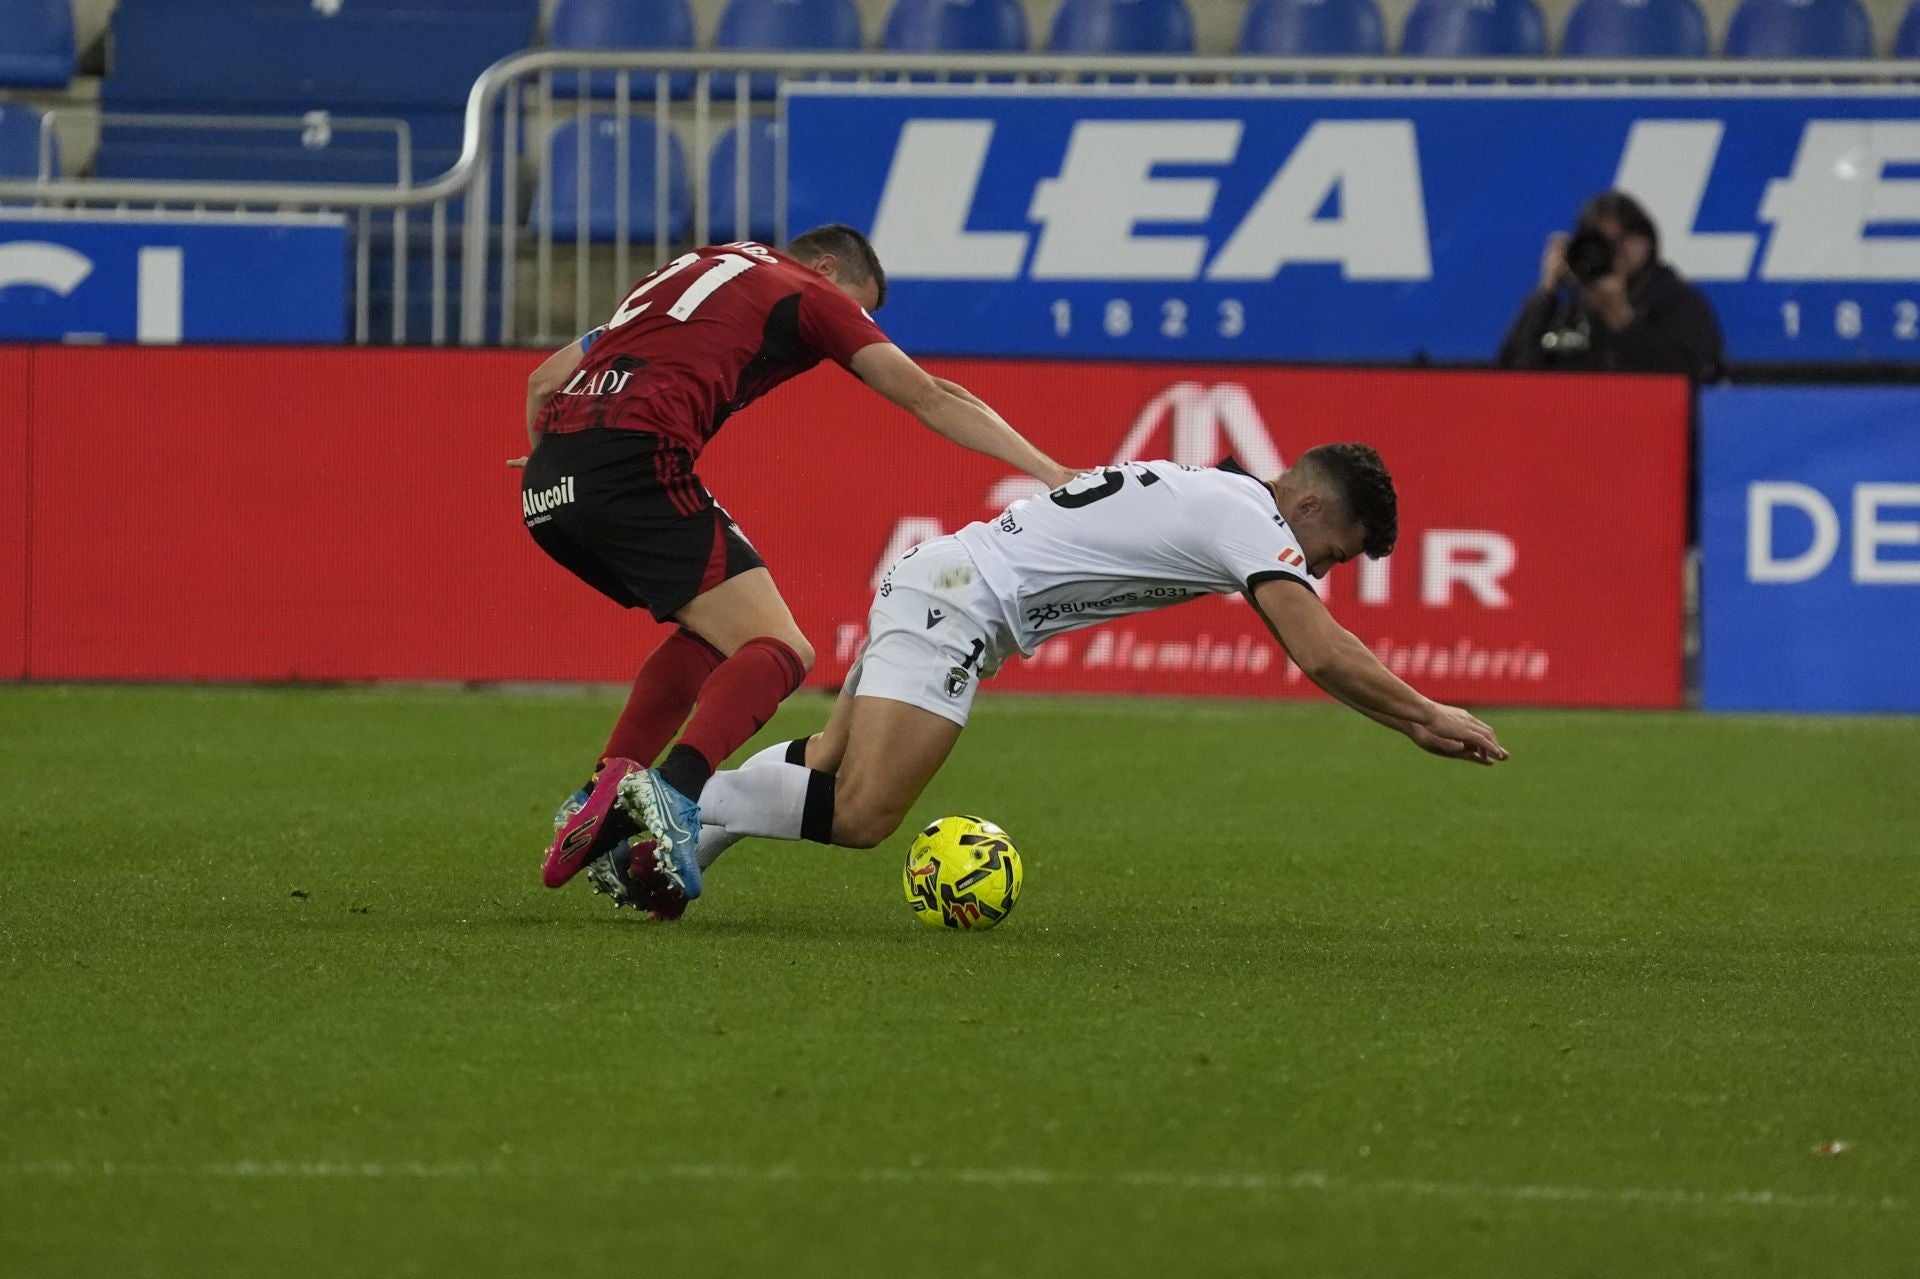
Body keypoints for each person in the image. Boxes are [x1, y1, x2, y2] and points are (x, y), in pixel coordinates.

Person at [569, 445, 1510, 920]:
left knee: (827, 762)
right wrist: (1424, 715)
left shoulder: (1218, 499)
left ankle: (654, 838)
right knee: (861, 812)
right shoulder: (1251, 516)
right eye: (1333, 553)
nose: (1323, 570)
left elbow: (1309, 637)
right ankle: (649, 801)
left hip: (948, 584)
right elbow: (1320, 651)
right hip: (961, 601)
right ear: (1307, 504)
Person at [527, 226, 1075, 905]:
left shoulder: (700, 265)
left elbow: (544, 379)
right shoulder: (809, 290)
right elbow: (931, 394)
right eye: (862, 305)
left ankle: (604, 790)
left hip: (549, 485)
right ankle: (672, 793)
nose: (861, 321)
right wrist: (1051, 471)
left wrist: (560, 465)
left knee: (713, 633)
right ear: (824, 266)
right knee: (783, 648)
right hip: (637, 460)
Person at [1498, 190, 1725, 386]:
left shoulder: (1679, 302)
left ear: (1646, 241)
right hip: (1570, 424)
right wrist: (1546, 291)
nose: (1613, 252)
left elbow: (1690, 381)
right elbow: (1510, 373)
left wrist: (1622, 319)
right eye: (1600, 242)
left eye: (1621, 240)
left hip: (1650, 428)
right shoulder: (1567, 309)